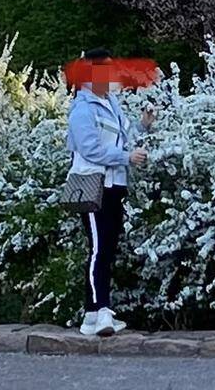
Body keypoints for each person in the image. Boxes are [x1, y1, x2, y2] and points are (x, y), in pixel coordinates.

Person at [66, 48, 154, 336]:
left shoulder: (110, 103)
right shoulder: (82, 108)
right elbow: (89, 148)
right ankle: (99, 308)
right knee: (99, 249)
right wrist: (126, 158)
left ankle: (95, 314)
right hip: (93, 186)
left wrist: (143, 125)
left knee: (107, 249)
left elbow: (124, 137)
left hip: (115, 186)